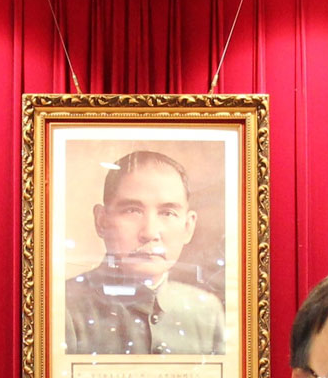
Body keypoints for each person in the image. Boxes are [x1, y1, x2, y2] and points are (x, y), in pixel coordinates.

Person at [64, 150, 225, 355]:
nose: (149, 233)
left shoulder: (206, 312)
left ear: (188, 227)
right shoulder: (64, 307)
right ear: (101, 221)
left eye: (167, 213)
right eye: (132, 210)